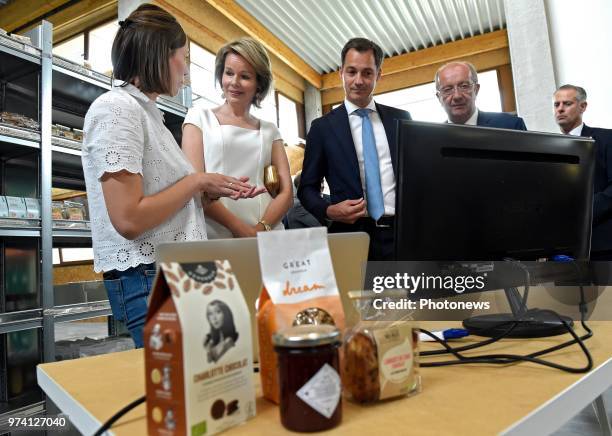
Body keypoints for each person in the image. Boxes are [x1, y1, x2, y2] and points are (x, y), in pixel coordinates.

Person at [82, 4, 258, 348]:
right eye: (184, 57)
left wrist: (205, 191)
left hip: (173, 271)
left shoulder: (149, 114)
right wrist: (196, 182)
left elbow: (160, 197)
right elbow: (129, 218)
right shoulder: (116, 109)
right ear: (162, 56)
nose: (187, 70)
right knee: (174, 388)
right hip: (148, 277)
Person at [298, 38, 411, 261]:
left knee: (404, 296)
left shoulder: (401, 119)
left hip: (401, 235)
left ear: (378, 75)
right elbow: (307, 189)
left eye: (367, 73)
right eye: (351, 72)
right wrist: (329, 211)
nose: (358, 81)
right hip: (350, 237)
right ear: (341, 72)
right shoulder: (322, 129)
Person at [182, 37, 293, 238]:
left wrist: (259, 230)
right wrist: (241, 230)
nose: (234, 82)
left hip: (267, 234)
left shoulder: (269, 130)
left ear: (259, 83)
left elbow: (286, 193)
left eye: (245, 76)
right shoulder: (198, 117)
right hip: (214, 233)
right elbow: (194, 186)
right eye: (229, 73)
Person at [553, 84, 612, 259]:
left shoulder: (607, 139)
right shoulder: (548, 147)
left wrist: (582, 212)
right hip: (562, 249)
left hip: (602, 244)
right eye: (557, 105)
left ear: (583, 106)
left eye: (567, 103)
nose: (560, 109)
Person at [435, 61, 527, 130]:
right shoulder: (431, 139)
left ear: (476, 89)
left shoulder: (511, 126)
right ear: (439, 98)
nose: (457, 96)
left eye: (464, 86)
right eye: (447, 89)